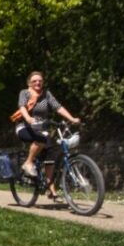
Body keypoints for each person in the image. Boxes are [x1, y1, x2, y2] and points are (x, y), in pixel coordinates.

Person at [14, 71, 81, 199]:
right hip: (24, 127)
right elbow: (22, 107)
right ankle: (28, 163)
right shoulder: (25, 93)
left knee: (50, 157)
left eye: (40, 80)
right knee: (41, 140)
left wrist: (72, 119)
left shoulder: (46, 94)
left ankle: (51, 190)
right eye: (34, 81)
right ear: (29, 83)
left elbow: (58, 107)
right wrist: (28, 118)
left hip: (41, 129)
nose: (38, 82)